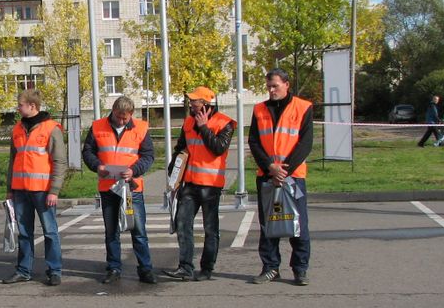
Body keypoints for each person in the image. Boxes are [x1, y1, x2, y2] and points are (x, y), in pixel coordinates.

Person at [248, 69, 313, 286]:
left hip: (292, 176)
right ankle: (270, 267)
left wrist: (283, 171)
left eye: (275, 85)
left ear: (286, 84)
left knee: (298, 224)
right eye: (268, 86)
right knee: (269, 225)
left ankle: (300, 269)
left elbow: (305, 144)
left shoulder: (303, 107)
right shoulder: (259, 109)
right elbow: (254, 142)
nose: (271, 90)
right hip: (267, 176)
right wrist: (270, 168)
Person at [82, 96, 157, 285]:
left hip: (132, 188)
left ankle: (145, 269)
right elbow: (88, 151)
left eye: (125, 118)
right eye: (118, 117)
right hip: (108, 188)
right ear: (113, 111)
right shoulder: (98, 126)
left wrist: (134, 170)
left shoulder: (141, 127)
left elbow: (148, 156)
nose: (121, 121)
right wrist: (97, 166)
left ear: (131, 114)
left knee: (138, 229)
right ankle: (113, 268)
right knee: (111, 231)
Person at [163, 87, 236, 281]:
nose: (191, 104)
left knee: (210, 229)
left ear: (206, 104)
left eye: (195, 101)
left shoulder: (225, 123)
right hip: (190, 183)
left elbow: (218, 149)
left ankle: (207, 268)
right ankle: (185, 267)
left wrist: (204, 127)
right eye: (191, 101)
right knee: (182, 222)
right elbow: (181, 148)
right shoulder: (188, 121)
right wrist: (173, 171)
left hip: (211, 185)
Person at [2, 89, 66, 286]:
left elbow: (59, 162)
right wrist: (10, 189)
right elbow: (13, 161)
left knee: (50, 232)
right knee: (24, 233)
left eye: (20, 104)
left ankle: (54, 270)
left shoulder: (50, 129)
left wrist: (54, 190)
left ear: (32, 106)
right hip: (21, 190)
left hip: (43, 191)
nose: (17, 107)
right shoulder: (17, 129)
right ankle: (23, 270)